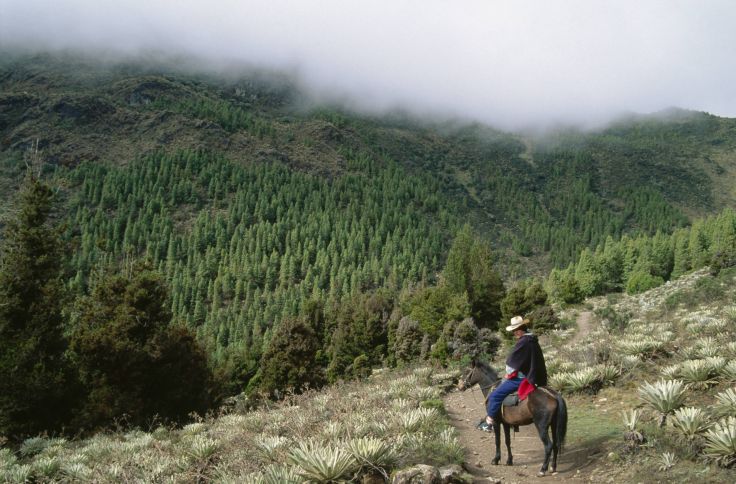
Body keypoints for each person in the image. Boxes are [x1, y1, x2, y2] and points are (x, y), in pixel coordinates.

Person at [485, 315, 548, 427]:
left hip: (522, 378)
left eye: (516, 330)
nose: (515, 332)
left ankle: (489, 422)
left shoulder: (523, 342)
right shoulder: (533, 339)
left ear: (521, 329)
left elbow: (512, 364)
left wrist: (508, 374)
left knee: (495, 395)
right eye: (514, 330)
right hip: (534, 376)